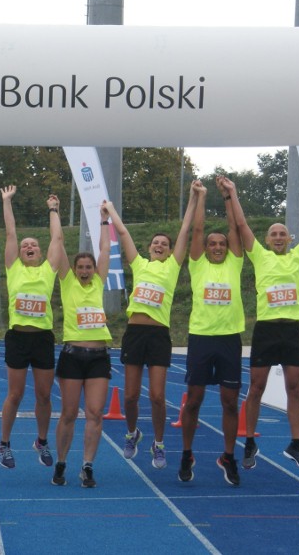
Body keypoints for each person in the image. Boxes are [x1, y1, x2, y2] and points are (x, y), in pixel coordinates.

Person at [229, 172, 299, 471]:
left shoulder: (298, 256)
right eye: (273, 234)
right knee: (256, 387)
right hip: (266, 329)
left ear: (290, 239)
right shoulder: (260, 256)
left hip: (291, 330)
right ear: (267, 240)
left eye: (283, 234)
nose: (278, 237)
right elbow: (241, 225)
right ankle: (250, 441)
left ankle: (295, 444)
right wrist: (233, 193)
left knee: (294, 386)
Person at [102, 182, 198, 469]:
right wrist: (110, 211)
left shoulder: (172, 266)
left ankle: (158, 443)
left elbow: (184, 231)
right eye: (156, 243)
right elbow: (123, 233)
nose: (159, 246)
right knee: (130, 396)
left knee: (157, 396)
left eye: (164, 245)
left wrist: (192, 197)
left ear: (170, 252)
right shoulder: (140, 264)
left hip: (158, 335)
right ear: (149, 248)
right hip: (134, 334)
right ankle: (132, 433)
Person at [178, 177, 245, 486]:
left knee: (230, 402)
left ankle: (228, 456)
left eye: (222, 244)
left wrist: (230, 196)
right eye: (213, 244)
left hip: (230, 339)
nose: (218, 246)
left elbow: (235, 229)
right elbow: (198, 229)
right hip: (201, 337)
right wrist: (201, 196)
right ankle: (187, 453)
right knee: (194, 400)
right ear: (205, 249)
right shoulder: (196, 263)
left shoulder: (235, 261)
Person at [46, 196, 113, 488]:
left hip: (98, 357)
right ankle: (61, 462)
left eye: (89, 267)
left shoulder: (99, 280)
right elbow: (57, 243)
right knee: (70, 413)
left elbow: (105, 248)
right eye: (81, 267)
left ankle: (87, 465)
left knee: (96, 413)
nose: (85, 271)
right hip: (73, 355)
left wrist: (103, 219)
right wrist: (55, 211)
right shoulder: (67, 281)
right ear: (74, 269)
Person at [0, 186, 60, 469]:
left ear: (40, 251)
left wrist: (53, 210)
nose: (29, 246)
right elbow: (10, 233)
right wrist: (6, 202)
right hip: (18, 338)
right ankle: (4, 444)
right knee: (16, 394)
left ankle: (42, 441)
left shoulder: (48, 269)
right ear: (19, 253)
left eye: (33, 244)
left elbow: (57, 238)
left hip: (43, 339)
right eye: (25, 245)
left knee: (44, 395)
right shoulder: (14, 269)